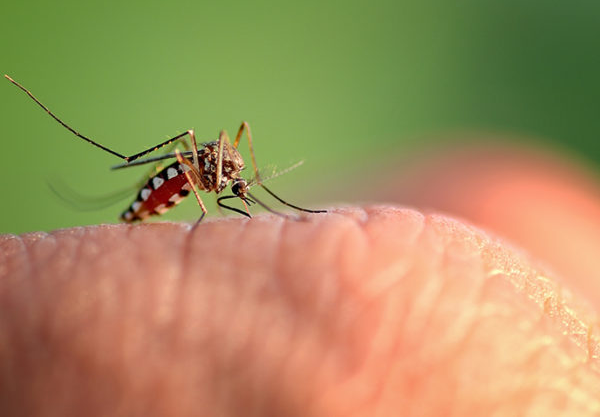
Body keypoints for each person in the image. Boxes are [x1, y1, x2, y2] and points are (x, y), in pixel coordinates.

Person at [1, 142, 599, 416]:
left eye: (241, 181)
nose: (241, 185)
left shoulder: (235, 172)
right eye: (241, 180)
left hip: (192, 178)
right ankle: (124, 169)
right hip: (171, 176)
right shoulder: (206, 173)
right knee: (192, 147)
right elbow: (201, 158)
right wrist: (197, 195)